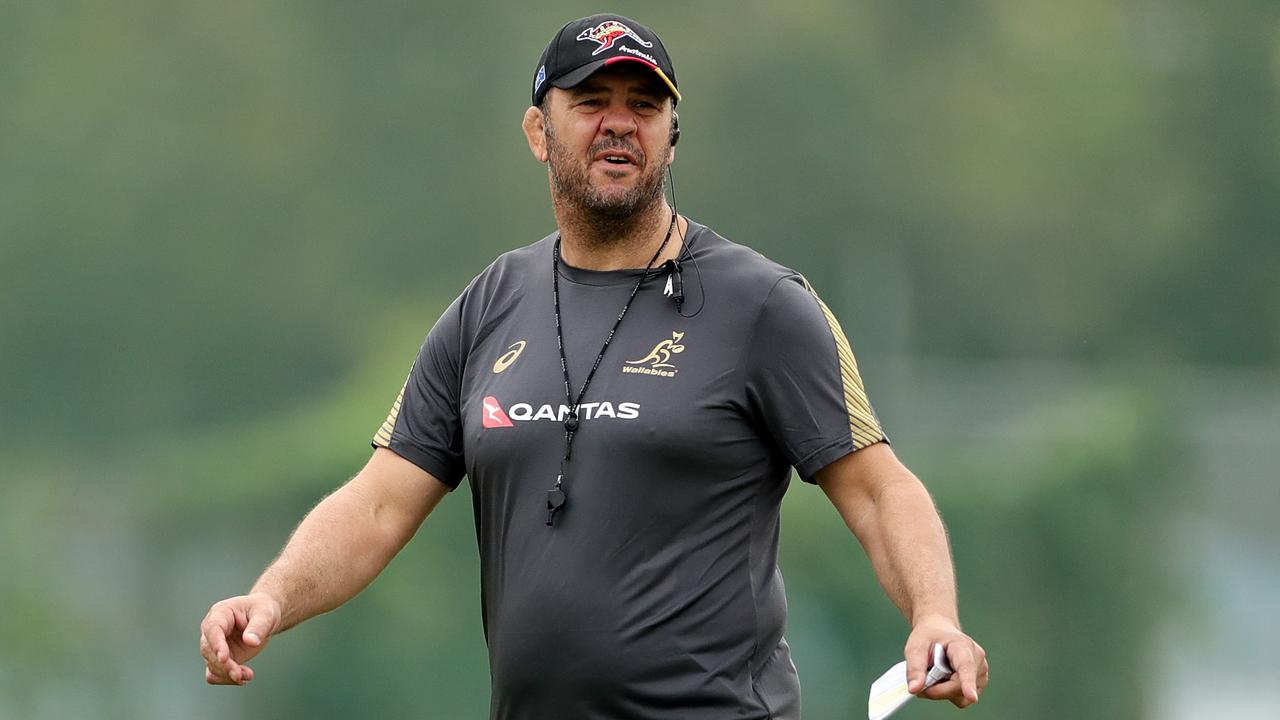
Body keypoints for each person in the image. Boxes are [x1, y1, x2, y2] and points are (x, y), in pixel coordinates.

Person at [199, 13, 989, 719]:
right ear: (540, 132)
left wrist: (934, 613)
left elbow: (880, 489)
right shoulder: (489, 305)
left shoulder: (764, 304)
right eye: (591, 103)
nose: (620, 125)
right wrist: (270, 598)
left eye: (644, 107)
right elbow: (378, 504)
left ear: (672, 134)